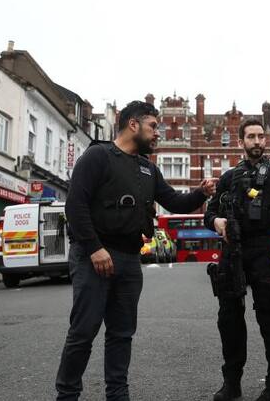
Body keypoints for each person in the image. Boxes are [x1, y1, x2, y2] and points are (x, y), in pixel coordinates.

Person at [56, 100, 216, 400]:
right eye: (153, 126)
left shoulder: (148, 169)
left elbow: (174, 202)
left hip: (129, 260)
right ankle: (67, 395)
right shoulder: (98, 156)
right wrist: (94, 248)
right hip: (95, 258)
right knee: (83, 331)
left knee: (121, 334)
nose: (158, 133)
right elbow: (75, 205)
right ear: (133, 124)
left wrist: (201, 193)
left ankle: (118, 395)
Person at [204, 119, 270, 401]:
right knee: (229, 320)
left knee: (268, 318)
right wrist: (217, 222)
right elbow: (209, 213)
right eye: (251, 136)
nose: (257, 141)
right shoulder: (229, 178)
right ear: (241, 142)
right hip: (232, 252)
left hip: (265, 252)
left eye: (261, 136)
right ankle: (231, 384)